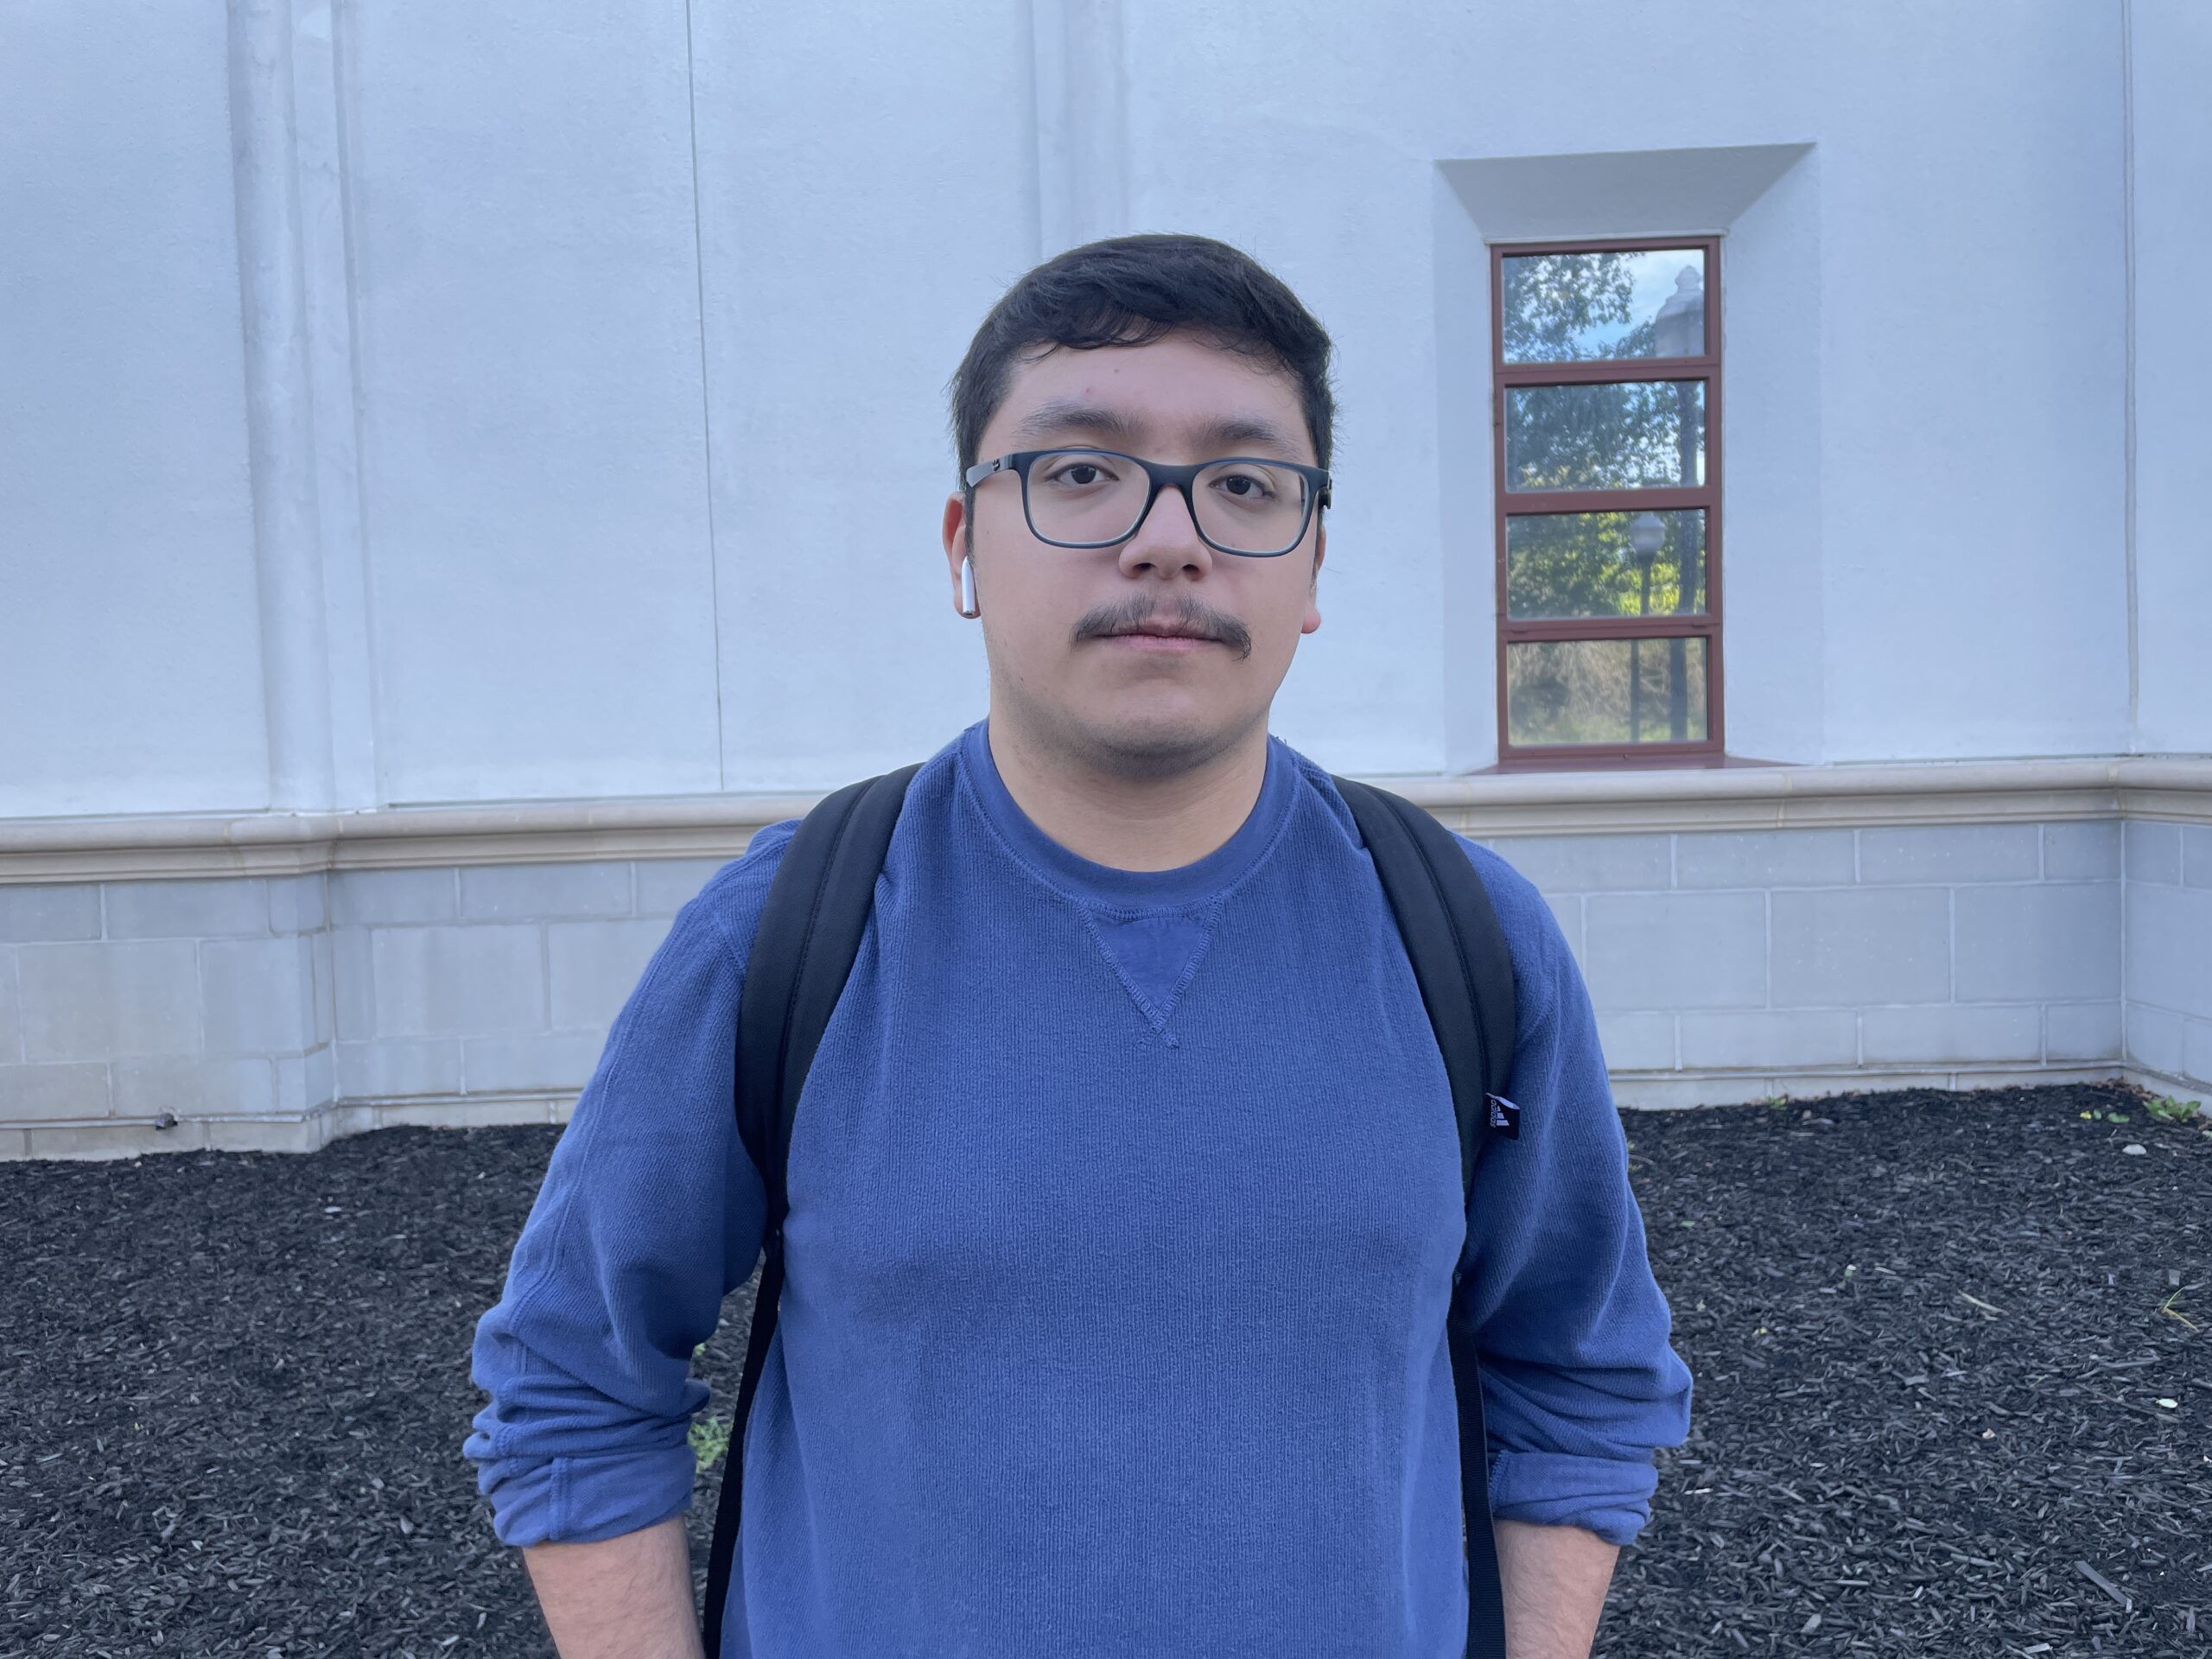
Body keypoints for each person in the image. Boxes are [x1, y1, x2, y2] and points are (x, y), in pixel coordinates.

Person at [465, 232, 1692, 1659]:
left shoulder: (1468, 940)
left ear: (1311, 566)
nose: (1167, 535)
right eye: (1080, 472)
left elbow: (1581, 1375)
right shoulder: (784, 937)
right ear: (962, 547)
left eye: (1244, 484)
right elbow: (572, 1377)